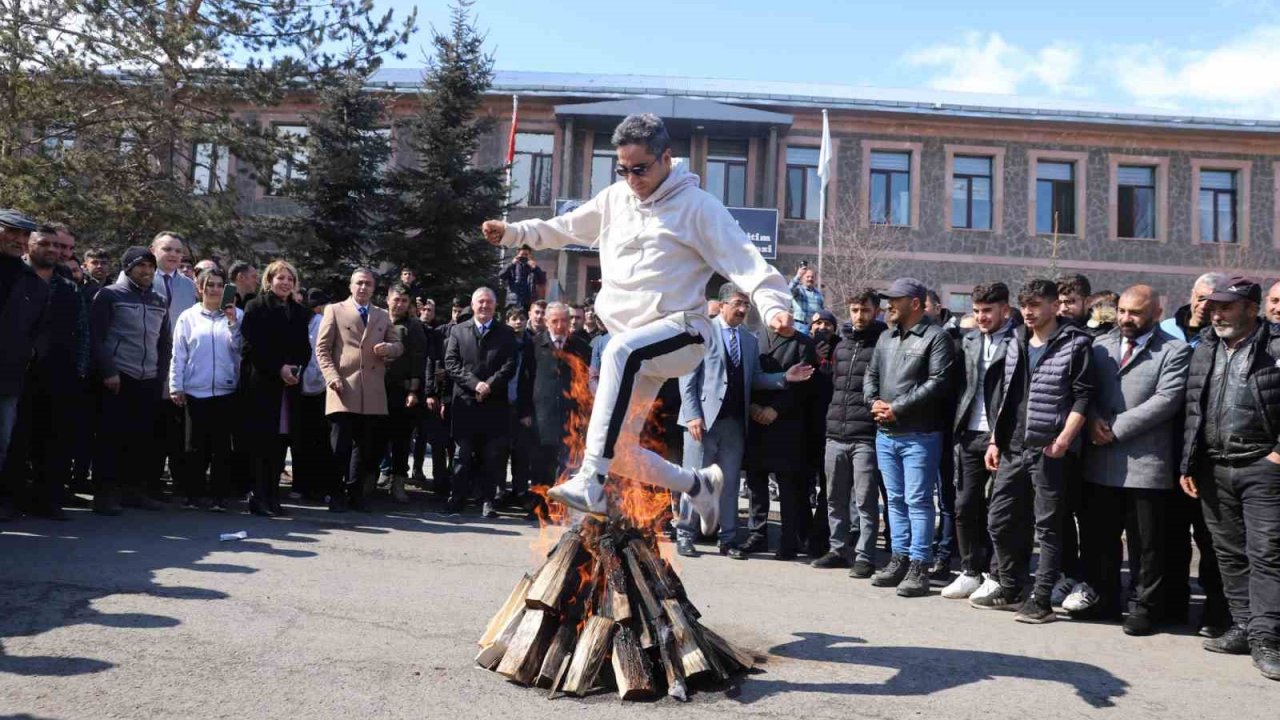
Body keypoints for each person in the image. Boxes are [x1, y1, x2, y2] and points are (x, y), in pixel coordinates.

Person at [480, 113, 797, 533]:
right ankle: (698, 483)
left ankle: (591, 481)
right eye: (623, 169)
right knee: (620, 448)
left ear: (666, 158)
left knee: (617, 352)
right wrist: (514, 232)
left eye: (640, 169)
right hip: (635, 343)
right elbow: (565, 227)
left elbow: (745, 259)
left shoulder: (698, 208)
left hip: (683, 331)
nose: (632, 179)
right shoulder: (615, 199)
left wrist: (773, 305)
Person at [1065, 285, 1190, 636]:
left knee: (1145, 545)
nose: (1126, 319)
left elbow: (1167, 399)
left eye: (1135, 313)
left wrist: (1116, 428)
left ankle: (1142, 606)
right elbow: (1083, 390)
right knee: (1099, 538)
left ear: (1156, 312)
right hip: (1100, 460)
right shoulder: (1101, 345)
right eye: (1122, 311)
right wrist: (1091, 419)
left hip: (1145, 464)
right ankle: (1103, 598)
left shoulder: (1174, 350)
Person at [1178, 277, 1280, 680]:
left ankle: (1268, 638)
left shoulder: (1274, 346)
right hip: (1213, 466)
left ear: (1251, 309)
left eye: (1227, 306)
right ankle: (1242, 627)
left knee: (1267, 554)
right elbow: (1193, 409)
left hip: (1263, 468)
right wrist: (1188, 463)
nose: (1216, 313)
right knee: (1228, 554)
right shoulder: (1206, 347)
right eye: (1213, 305)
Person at [975, 279, 1093, 624]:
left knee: (1048, 527)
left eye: (1036, 305)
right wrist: (996, 440)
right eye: (1025, 305)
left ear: (1055, 306)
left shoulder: (1075, 344)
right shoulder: (1016, 340)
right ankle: (1011, 587)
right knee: (998, 519)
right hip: (1012, 446)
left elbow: (1083, 396)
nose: (1028, 311)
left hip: (1049, 449)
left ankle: (1041, 599)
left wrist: (1064, 440)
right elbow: (1006, 396)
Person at [677, 284, 809, 559]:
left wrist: (785, 377)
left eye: (746, 305)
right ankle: (686, 535)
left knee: (729, 484)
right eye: (737, 303)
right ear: (722, 304)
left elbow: (756, 378)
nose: (741, 310)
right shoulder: (702, 332)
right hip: (702, 422)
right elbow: (687, 377)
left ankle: (728, 539)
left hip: (734, 424)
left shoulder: (749, 340)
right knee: (694, 480)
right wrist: (692, 415)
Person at [863, 278, 956, 597]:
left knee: (917, 501)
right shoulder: (886, 337)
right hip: (886, 434)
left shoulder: (936, 337)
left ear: (914, 303)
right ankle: (899, 558)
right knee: (895, 500)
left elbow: (938, 382)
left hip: (920, 434)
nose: (889, 304)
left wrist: (897, 408)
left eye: (894, 299)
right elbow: (870, 374)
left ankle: (919, 565)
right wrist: (872, 401)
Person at [1158, 272, 1230, 637]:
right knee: (1170, 535)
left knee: (1210, 537)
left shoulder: (1224, 337)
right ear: (1191, 296)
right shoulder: (1166, 329)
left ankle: (1216, 613)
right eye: (1201, 298)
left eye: (1213, 301)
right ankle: (1173, 605)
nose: (1206, 306)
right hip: (1168, 448)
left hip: (1207, 452)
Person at [0, 226, 86, 521]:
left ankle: (46, 499)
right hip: (17, 374)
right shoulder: (14, 277)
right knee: (15, 441)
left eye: (57, 245)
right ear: (29, 246)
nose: (52, 250)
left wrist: (79, 369)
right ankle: (10, 499)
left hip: (57, 375)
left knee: (53, 440)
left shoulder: (68, 286)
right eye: (45, 243)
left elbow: (81, 332)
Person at [944, 283, 1018, 601]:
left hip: (1002, 437)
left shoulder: (1019, 340)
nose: (981, 317)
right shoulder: (969, 340)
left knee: (1001, 512)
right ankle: (970, 570)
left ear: (1005, 309)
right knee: (964, 505)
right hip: (968, 434)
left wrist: (999, 436)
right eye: (976, 311)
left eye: (987, 311)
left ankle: (998, 574)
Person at [89, 246, 172, 515]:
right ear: (128, 268)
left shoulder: (159, 299)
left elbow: (163, 342)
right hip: (119, 376)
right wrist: (108, 370)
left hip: (147, 377)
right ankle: (105, 495)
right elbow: (96, 337)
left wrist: (160, 375)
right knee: (111, 438)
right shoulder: (109, 295)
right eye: (141, 266)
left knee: (141, 439)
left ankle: (134, 491)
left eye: (151, 267)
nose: (147, 271)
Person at [316, 268, 403, 513]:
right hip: (343, 387)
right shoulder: (335, 310)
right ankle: (335, 493)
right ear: (351, 286)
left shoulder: (382, 315)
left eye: (368, 284)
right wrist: (332, 377)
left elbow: (398, 346)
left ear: (374, 289)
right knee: (340, 446)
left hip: (372, 391)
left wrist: (389, 348)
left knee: (364, 448)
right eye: (360, 283)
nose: (364, 287)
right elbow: (322, 349)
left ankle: (356, 494)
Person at [814, 290, 887, 577]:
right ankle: (838, 549)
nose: (859, 316)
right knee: (833, 496)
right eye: (855, 310)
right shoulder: (841, 346)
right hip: (835, 432)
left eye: (865, 310)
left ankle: (865, 555)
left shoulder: (883, 344)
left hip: (865, 436)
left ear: (876, 311)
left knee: (865, 500)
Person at [744, 317, 821, 560]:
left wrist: (775, 410)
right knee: (756, 481)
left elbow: (803, 388)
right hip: (756, 420)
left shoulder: (803, 344)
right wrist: (752, 406)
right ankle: (757, 533)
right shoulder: (754, 337)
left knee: (788, 485)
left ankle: (789, 540)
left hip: (786, 422)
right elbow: (745, 377)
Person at [240, 260, 311, 516]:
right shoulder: (256, 306)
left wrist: (297, 369)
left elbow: (305, 348)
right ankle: (258, 497)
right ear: (269, 280)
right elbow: (250, 346)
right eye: (280, 278)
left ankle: (273, 497)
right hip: (263, 385)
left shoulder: (299, 311)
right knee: (261, 444)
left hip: (289, 387)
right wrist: (278, 367)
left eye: (290, 279)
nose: (286, 283)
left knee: (280, 443)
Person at [169, 268, 242, 511]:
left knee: (222, 447)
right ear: (200, 288)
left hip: (225, 390)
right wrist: (176, 385)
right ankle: (193, 494)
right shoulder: (188, 317)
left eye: (220, 285)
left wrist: (232, 323)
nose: (215, 289)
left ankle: (220, 495)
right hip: (195, 390)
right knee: (194, 446)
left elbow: (241, 350)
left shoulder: (236, 315)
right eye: (209, 284)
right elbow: (178, 354)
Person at [443, 287, 519, 518]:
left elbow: (510, 364)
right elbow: (451, 363)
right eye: (480, 302)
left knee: (492, 457)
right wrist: (476, 384)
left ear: (495, 306)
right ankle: (457, 499)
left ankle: (488, 501)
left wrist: (489, 385)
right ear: (473, 305)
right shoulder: (458, 330)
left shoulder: (505, 333)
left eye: (489, 302)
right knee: (462, 455)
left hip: (494, 404)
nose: (484, 306)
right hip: (465, 403)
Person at [529, 302, 592, 516]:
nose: (560, 325)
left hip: (570, 416)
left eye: (564, 320)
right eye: (554, 321)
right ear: (546, 322)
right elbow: (525, 381)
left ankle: (561, 509)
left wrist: (585, 414)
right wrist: (525, 413)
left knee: (567, 464)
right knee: (541, 463)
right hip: (541, 414)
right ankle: (539, 506)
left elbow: (586, 383)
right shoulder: (535, 344)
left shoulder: (582, 347)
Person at [0, 210, 46, 498]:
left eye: (25, 234)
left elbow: (34, 333)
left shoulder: (33, 284)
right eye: (11, 231)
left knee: (1, 444)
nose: (19, 240)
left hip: (8, 379)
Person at [382, 284, 426, 504]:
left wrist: (413, 390)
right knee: (374, 437)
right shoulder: (378, 320)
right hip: (376, 389)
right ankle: (370, 479)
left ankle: (398, 482)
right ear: (387, 299)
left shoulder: (414, 326)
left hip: (401, 390)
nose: (399, 304)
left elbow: (419, 359)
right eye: (396, 299)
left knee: (401, 440)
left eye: (404, 301)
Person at [296, 289, 336, 502]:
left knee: (315, 439)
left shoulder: (318, 321)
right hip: (308, 385)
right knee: (312, 439)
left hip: (317, 386)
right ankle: (310, 485)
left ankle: (314, 486)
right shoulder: (315, 320)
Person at [499, 308, 537, 509]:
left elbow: (533, 380)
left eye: (522, 319)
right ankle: (500, 490)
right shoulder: (501, 341)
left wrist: (527, 411)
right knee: (499, 450)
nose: (518, 322)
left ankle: (520, 491)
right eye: (514, 319)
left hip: (521, 405)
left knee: (521, 453)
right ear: (507, 321)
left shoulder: (531, 344)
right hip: (500, 404)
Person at [498, 245, 546, 310]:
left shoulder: (533, 267)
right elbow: (501, 276)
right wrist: (511, 264)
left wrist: (535, 268)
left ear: (530, 256)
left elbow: (542, 280)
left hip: (528, 301)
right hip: (513, 301)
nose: (524, 257)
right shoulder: (513, 266)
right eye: (522, 254)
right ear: (517, 255)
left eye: (526, 255)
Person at [790, 264, 824, 335]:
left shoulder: (819, 294)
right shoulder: (798, 290)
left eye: (812, 277)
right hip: (800, 326)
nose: (810, 279)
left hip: (814, 328)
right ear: (802, 278)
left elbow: (822, 312)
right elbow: (789, 290)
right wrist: (798, 275)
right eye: (807, 277)